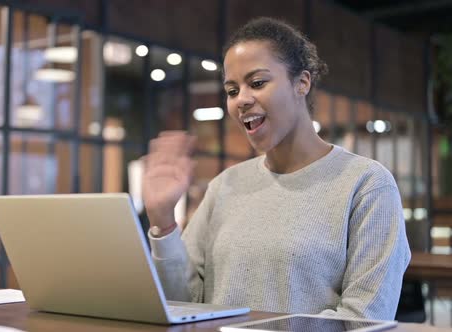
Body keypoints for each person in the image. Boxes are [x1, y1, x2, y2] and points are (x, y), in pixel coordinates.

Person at [142, 17, 411, 320]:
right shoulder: (224, 185)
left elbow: (364, 318)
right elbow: (186, 306)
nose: (241, 99)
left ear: (302, 83)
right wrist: (162, 221)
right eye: (232, 90)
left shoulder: (366, 184)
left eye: (257, 83)